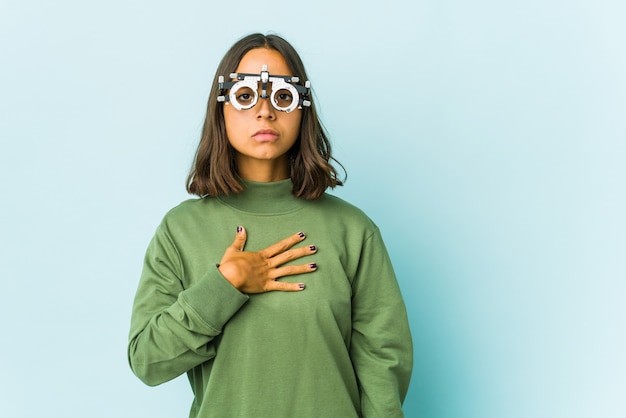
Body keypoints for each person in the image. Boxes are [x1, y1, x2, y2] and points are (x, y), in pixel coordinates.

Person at [127, 32, 413, 418]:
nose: (265, 112)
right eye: (245, 96)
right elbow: (148, 361)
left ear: (302, 108)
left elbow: (383, 363)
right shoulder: (181, 230)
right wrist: (224, 286)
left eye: (282, 96)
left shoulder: (353, 230)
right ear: (221, 108)